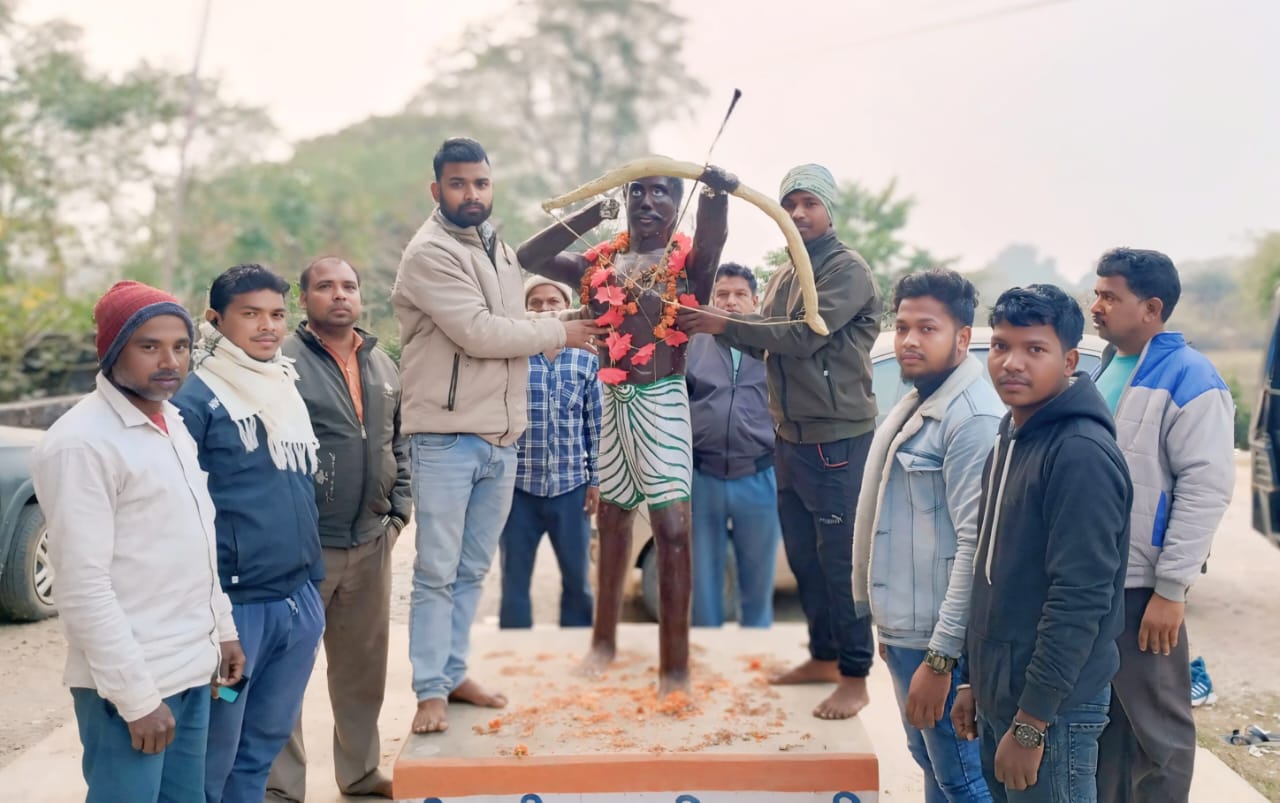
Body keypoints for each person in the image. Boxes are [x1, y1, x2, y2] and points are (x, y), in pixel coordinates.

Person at [392, 137, 604, 735]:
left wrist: (572, 321)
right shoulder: (429, 253)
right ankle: (430, 689)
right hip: (446, 436)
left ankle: (454, 673)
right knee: (435, 570)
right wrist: (567, 332)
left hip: (501, 439)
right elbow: (482, 333)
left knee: (471, 571)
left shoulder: (499, 250)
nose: (471, 194)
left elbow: (516, 323)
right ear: (437, 190)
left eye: (480, 183)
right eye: (458, 184)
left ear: (491, 187)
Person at [516, 163, 737, 695]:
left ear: (675, 204)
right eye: (636, 190)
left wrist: (715, 195)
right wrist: (592, 213)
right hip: (612, 399)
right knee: (612, 525)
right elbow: (528, 259)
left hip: (662, 403)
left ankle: (676, 669)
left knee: (674, 532)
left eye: (661, 191)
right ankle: (603, 642)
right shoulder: (601, 265)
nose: (647, 200)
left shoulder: (689, 267)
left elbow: (712, 238)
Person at [679, 163, 879, 720]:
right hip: (789, 438)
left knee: (841, 564)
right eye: (789, 203)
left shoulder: (845, 269)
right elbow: (767, 335)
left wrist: (720, 323)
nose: (796, 214)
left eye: (809, 203)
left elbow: (801, 336)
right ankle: (823, 655)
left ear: (830, 210)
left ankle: (856, 675)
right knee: (806, 559)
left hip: (836, 438)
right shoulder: (787, 272)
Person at [32, 281, 244, 803]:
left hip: (192, 669)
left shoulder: (172, 420)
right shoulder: (81, 444)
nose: (170, 360)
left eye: (180, 345)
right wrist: (136, 699)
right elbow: (82, 587)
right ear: (112, 350)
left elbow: (195, 537)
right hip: (132, 688)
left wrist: (223, 630)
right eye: (149, 346)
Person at [951, 284, 1132, 802]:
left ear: (1069, 359)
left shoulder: (1078, 452)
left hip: (1054, 710)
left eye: (1035, 350)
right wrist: (971, 681)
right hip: (1000, 693)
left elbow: (1080, 597)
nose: (1012, 363)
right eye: (1004, 346)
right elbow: (992, 574)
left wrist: (1032, 723)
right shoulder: (1011, 435)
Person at [172, 264, 326, 803]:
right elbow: (180, 515)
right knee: (216, 750)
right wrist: (218, 617)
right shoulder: (193, 402)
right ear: (215, 320)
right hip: (236, 613)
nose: (267, 326)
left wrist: (310, 584)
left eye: (277, 314)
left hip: (297, 601)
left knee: (264, 745)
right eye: (251, 314)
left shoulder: (282, 384)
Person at [1088, 248, 1235, 803]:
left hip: (1143, 586)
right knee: (1109, 726)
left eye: (1110, 296)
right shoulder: (1106, 364)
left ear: (1151, 307)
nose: (1096, 305)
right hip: (1097, 576)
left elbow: (1206, 490)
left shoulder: (1191, 377)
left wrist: (1171, 590)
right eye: (1096, 292)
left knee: (1159, 733)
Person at [266, 257, 412, 801]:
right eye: (325, 287)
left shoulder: (382, 364)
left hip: (372, 542)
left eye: (348, 285)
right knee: (285, 676)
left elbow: (400, 442)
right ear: (305, 300)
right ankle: (280, 789)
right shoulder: (280, 363)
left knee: (362, 671)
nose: (339, 295)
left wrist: (398, 513)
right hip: (304, 551)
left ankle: (360, 774)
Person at [851, 269, 998, 802]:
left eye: (927, 329)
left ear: (962, 337)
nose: (910, 340)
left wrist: (941, 661)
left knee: (962, 778)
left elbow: (974, 549)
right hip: (909, 632)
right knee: (932, 765)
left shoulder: (972, 418)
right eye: (904, 327)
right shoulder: (919, 402)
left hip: (942, 643)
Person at [498, 276, 602, 629]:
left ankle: (576, 656)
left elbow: (596, 426)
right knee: (514, 583)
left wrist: (596, 481)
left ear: (568, 308)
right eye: (536, 303)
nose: (545, 309)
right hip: (518, 490)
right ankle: (514, 658)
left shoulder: (586, 358)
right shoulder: (513, 356)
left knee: (578, 582)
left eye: (553, 302)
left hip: (571, 490)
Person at [685, 262, 781, 628]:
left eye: (740, 294)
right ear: (712, 299)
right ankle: (706, 662)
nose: (730, 302)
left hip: (758, 477)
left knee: (757, 585)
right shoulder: (694, 344)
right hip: (702, 477)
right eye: (722, 294)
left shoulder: (771, 345)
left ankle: (755, 659)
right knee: (703, 584)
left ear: (754, 301)